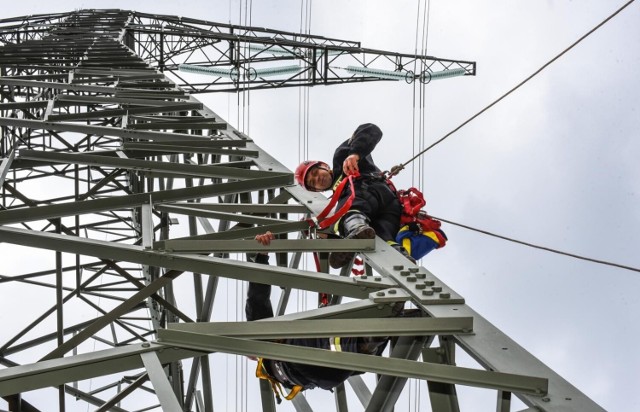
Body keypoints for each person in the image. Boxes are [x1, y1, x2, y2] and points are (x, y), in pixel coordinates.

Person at [246, 231, 392, 402]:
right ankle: (380, 331)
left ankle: (383, 330)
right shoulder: (276, 345)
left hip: (320, 375)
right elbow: (257, 300)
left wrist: (262, 255)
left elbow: (257, 300)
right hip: (295, 362)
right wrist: (262, 256)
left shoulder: (276, 347)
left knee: (347, 360)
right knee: (329, 343)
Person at [294, 123, 411, 268]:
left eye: (315, 173)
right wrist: (326, 236)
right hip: (388, 209)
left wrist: (354, 153)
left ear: (324, 166)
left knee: (343, 214)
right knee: (384, 237)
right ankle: (400, 257)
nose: (317, 178)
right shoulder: (339, 195)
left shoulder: (341, 158)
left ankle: (356, 227)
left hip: (368, 190)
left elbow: (371, 129)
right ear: (317, 191)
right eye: (313, 182)